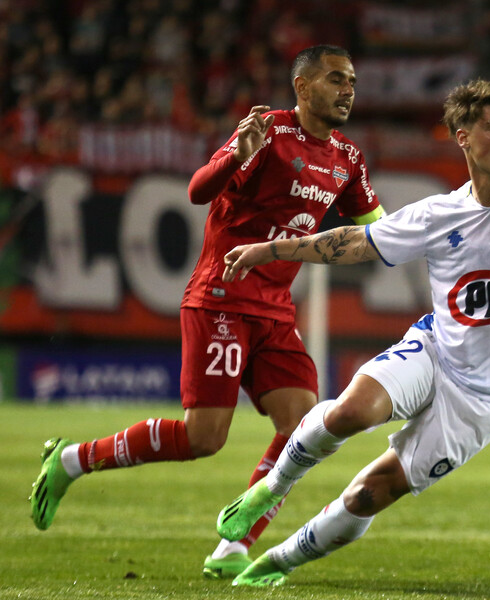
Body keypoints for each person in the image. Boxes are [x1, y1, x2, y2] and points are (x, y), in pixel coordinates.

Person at [212, 79, 490, 587]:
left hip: (489, 396)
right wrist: (269, 250)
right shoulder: (438, 213)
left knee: (368, 494)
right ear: (463, 137)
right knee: (351, 411)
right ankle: (272, 488)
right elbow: (356, 241)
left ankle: (276, 562)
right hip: (436, 348)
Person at [28, 45, 384, 579]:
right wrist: (236, 156)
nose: (348, 89)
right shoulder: (267, 133)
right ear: (303, 87)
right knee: (204, 439)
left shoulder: (348, 159)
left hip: (275, 311)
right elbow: (198, 190)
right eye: (336, 79)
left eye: (352, 80)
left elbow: (378, 226)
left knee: (304, 424)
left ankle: (233, 547)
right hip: (221, 297)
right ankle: (73, 461)